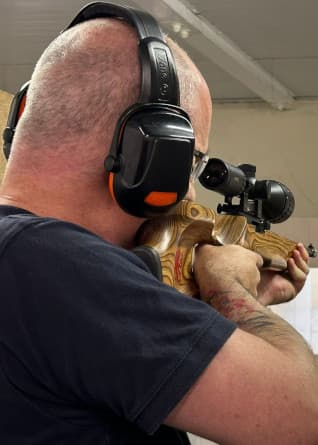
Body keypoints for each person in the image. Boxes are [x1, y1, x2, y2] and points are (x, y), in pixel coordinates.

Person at [0, 4, 317, 445]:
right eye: (192, 161)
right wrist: (231, 288)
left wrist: (217, 306)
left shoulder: (23, 262)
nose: (188, 192)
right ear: (153, 154)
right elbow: (302, 415)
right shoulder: (55, 264)